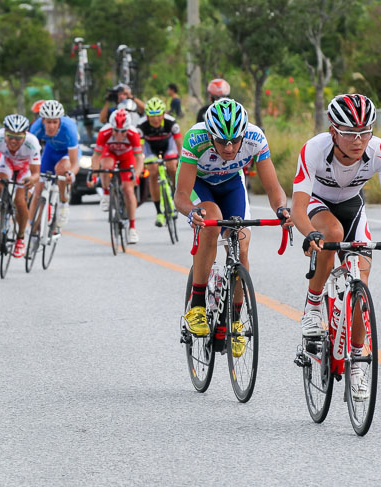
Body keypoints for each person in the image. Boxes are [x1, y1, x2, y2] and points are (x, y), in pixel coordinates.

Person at [291, 94, 381, 400]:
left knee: (360, 290)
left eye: (365, 131)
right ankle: (311, 307)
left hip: (352, 207)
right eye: (349, 132)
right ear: (334, 131)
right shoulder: (313, 149)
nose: (358, 140)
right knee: (331, 233)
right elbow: (298, 208)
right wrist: (309, 234)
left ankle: (357, 368)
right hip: (318, 205)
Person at [175, 98, 291, 357]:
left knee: (241, 242)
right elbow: (180, 194)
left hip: (231, 185)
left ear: (243, 135)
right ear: (210, 135)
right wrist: (192, 211)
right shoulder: (195, 139)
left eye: (234, 141)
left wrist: (282, 209)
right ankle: (197, 305)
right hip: (200, 184)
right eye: (222, 142)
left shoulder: (255, 138)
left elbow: (273, 188)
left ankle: (235, 320)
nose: (229, 148)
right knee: (211, 220)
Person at [90, 109, 144, 243]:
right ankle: (107, 194)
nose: (119, 135)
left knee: (128, 189)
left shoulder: (133, 134)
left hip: (127, 156)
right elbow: (96, 157)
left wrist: (136, 174)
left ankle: (132, 228)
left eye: (123, 132)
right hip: (110, 153)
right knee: (106, 167)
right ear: (111, 127)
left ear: (128, 129)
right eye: (116, 131)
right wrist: (94, 174)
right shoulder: (104, 132)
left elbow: (139, 158)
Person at [0, 114, 41, 257]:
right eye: (10, 136)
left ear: (25, 135)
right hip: (6, 163)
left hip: (25, 169)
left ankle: (20, 238)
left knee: (19, 201)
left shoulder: (32, 142)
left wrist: (31, 179)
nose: (13, 141)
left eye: (18, 138)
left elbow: (36, 173)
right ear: (4, 133)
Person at [29, 100, 79, 228]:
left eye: (55, 122)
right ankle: (32, 229)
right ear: (43, 121)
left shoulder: (69, 128)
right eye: (48, 122)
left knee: (61, 169)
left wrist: (71, 174)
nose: (51, 126)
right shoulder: (36, 128)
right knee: (38, 190)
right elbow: (28, 153)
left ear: (60, 121)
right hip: (50, 151)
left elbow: (74, 163)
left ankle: (63, 202)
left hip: (67, 152)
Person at [137, 97, 182, 227]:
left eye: (158, 115)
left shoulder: (171, 123)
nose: (155, 119)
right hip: (150, 148)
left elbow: (179, 143)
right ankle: (159, 212)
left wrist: (180, 159)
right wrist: (142, 162)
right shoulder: (141, 126)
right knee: (153, 172)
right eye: (152, 116)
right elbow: (139, 148)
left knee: (172, 166)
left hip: (168, 146)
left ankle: (176, 193)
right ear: (147, 116)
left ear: (163, 114)